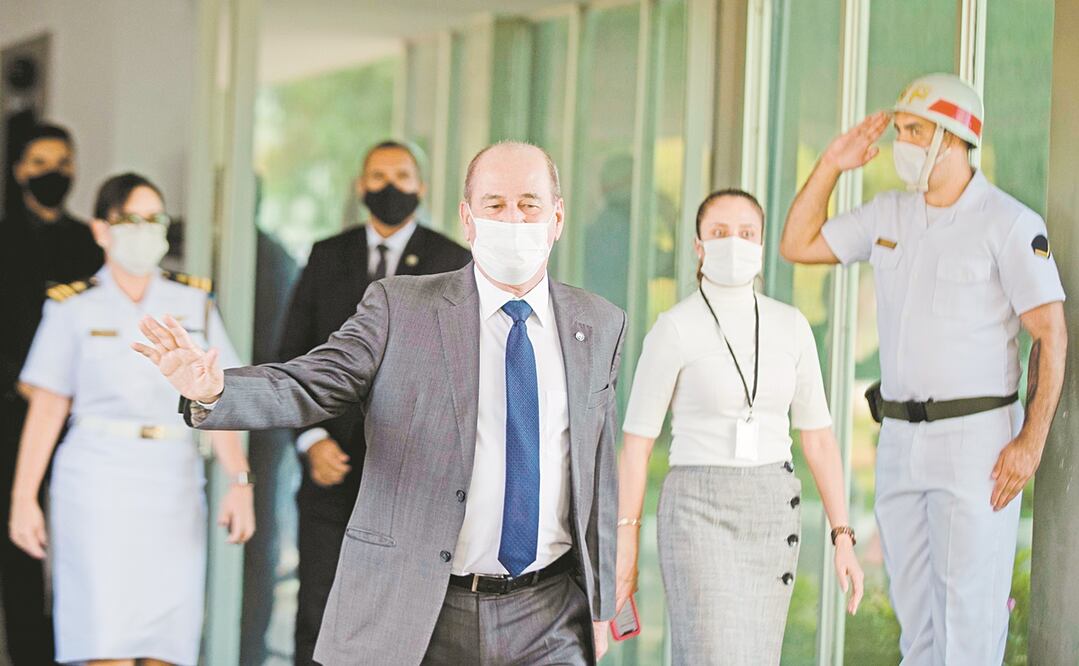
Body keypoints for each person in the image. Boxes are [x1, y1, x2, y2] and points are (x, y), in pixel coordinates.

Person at [133, 141, 626, 665]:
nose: (513, 219)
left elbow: (596, 473)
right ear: (467, 218)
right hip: (425, 609)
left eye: (529, 204)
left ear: (557, 217)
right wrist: (215, 389)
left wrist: (598, 606)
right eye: (495, 205)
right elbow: (312, 381)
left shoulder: (597, 323)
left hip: (548, 614)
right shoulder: (401, 307)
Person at [779, 73, 1067, 664]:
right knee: (918, 630)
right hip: (900, 442)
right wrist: (833, 163)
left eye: (914, 130)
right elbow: (798, 243)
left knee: (969, 628)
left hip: (978, 444)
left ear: (956, 139)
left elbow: (1051, 334)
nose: (901, 142)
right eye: (902, 129)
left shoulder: (1009, 223)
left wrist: (1030, 442)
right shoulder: (889, 213)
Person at [7, 173, 256, 666]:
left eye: (155, 219)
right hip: (95, 481)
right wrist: (22, 499)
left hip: (172, 480)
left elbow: (220, 394)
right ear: (102, 229)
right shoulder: (73, 305)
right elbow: (49, 405)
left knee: (170, 636)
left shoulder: (192, 302)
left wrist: (240, 480)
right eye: (131, 220)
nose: (145, 231)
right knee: (104, 639)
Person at [615, 189, 864, 664]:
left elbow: (818, 438)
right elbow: (636, 446)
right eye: (720, 233)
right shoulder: (674, 328)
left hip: (772, 511)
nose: (734, 243)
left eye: (747, 233)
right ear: (698, 245)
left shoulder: (791, 326)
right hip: (697, 511)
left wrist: (843, 537)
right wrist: (627, 541)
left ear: (762, 243)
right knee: (713, 653)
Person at [279, 140, 471, 666]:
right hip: (331, 475)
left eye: (403, 175)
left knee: (407, 623)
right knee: (319, 614)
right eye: (378, 175)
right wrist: (311, 439)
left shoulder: (452, 260)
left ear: (422, 187)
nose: (391, 186)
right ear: (361, 187)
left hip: (412, 481)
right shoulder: (326, 255)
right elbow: (292, 357)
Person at [0, 122, 103, 664]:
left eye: (63, 163)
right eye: (40, 163)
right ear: (19, 170)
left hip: (78, 419)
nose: (52, 174)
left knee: (76, 544)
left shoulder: (89, 242)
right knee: (19, 550)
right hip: (12, 416)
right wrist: (23, 378)